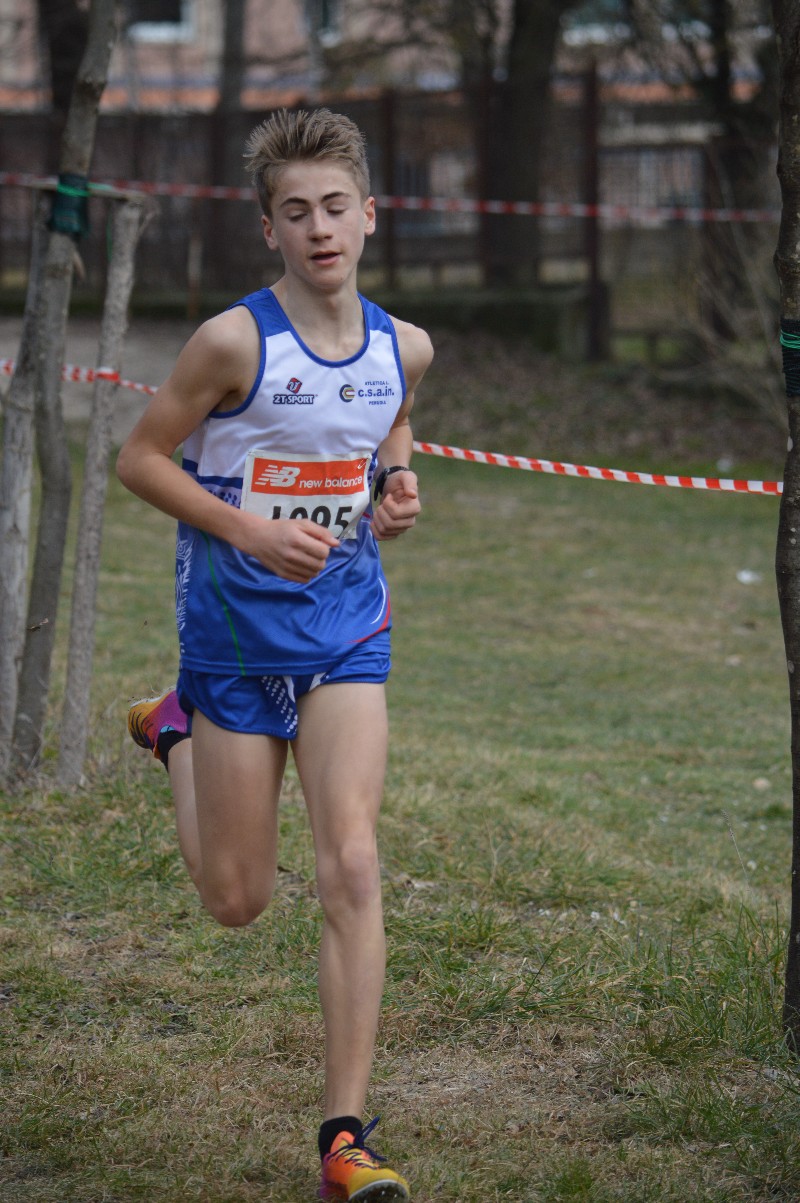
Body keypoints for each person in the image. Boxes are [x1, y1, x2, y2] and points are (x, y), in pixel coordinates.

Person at [116, 107, 433, 1203]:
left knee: (351, 862)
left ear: (370, 215)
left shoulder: (403, 347)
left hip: (346, 627)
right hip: (235, 634)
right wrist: (249, 531)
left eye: (335, 208)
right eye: (296, 212)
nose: (319, 229)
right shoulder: (232, 344)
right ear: (269, 229)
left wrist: (397, 482)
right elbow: (140, 459)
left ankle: (344, 1137)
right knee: (237, 898)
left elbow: (388, 423)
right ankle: (176, 731)